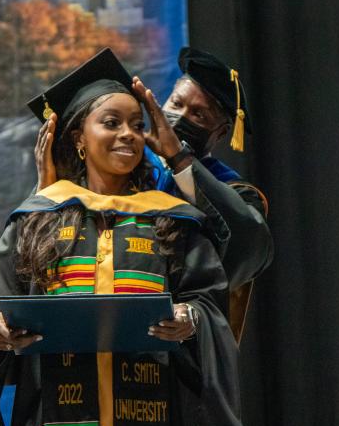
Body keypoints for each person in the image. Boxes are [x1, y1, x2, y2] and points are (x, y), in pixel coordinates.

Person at [0, 49, 247, 426]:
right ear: (77, 136)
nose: (127, 135)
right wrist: (2, 332)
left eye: (137, 125)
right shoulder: (37, 221)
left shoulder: (174, 221)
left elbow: (212, 305)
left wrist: (189, 321)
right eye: (110, 122)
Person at [35, 47, 273, 343]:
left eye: (198, 114)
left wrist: (178, 157)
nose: (181, 117)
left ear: (221, 133)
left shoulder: (234, 195)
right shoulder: (116, 171)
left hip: (174, 351)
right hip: (89, 335)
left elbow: (246, 253)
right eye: (177, 103)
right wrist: (47, 191)